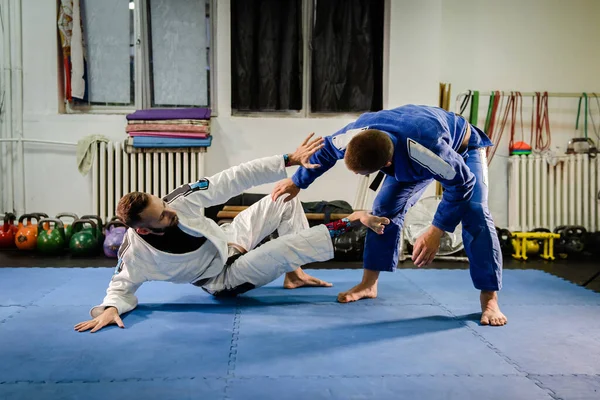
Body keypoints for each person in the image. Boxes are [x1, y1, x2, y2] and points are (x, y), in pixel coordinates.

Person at [75, 134, 389, 333]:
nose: (170, 210)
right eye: (162, 215)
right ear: (143, 228)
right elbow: (120, 286)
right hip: (222, 277)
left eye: (164, 203)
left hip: (228, 239)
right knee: (282, 250)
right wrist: (111, 308)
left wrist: (288, 159)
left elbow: (231, 179)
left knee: (283, 197)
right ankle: (351, 221)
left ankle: (295, 276)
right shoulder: (136, 254)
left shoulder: (176, 201)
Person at [271, 105, 507, 326]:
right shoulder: (355, 133)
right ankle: (368, 284)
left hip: (461, 150)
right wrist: (297, 182)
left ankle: (489, 299)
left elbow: (462, 184)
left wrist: (437, 230)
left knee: (475, 211)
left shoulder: (426, 151)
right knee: (383, 211)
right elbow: (324, 153)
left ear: (387, 163)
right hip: (406, 146)